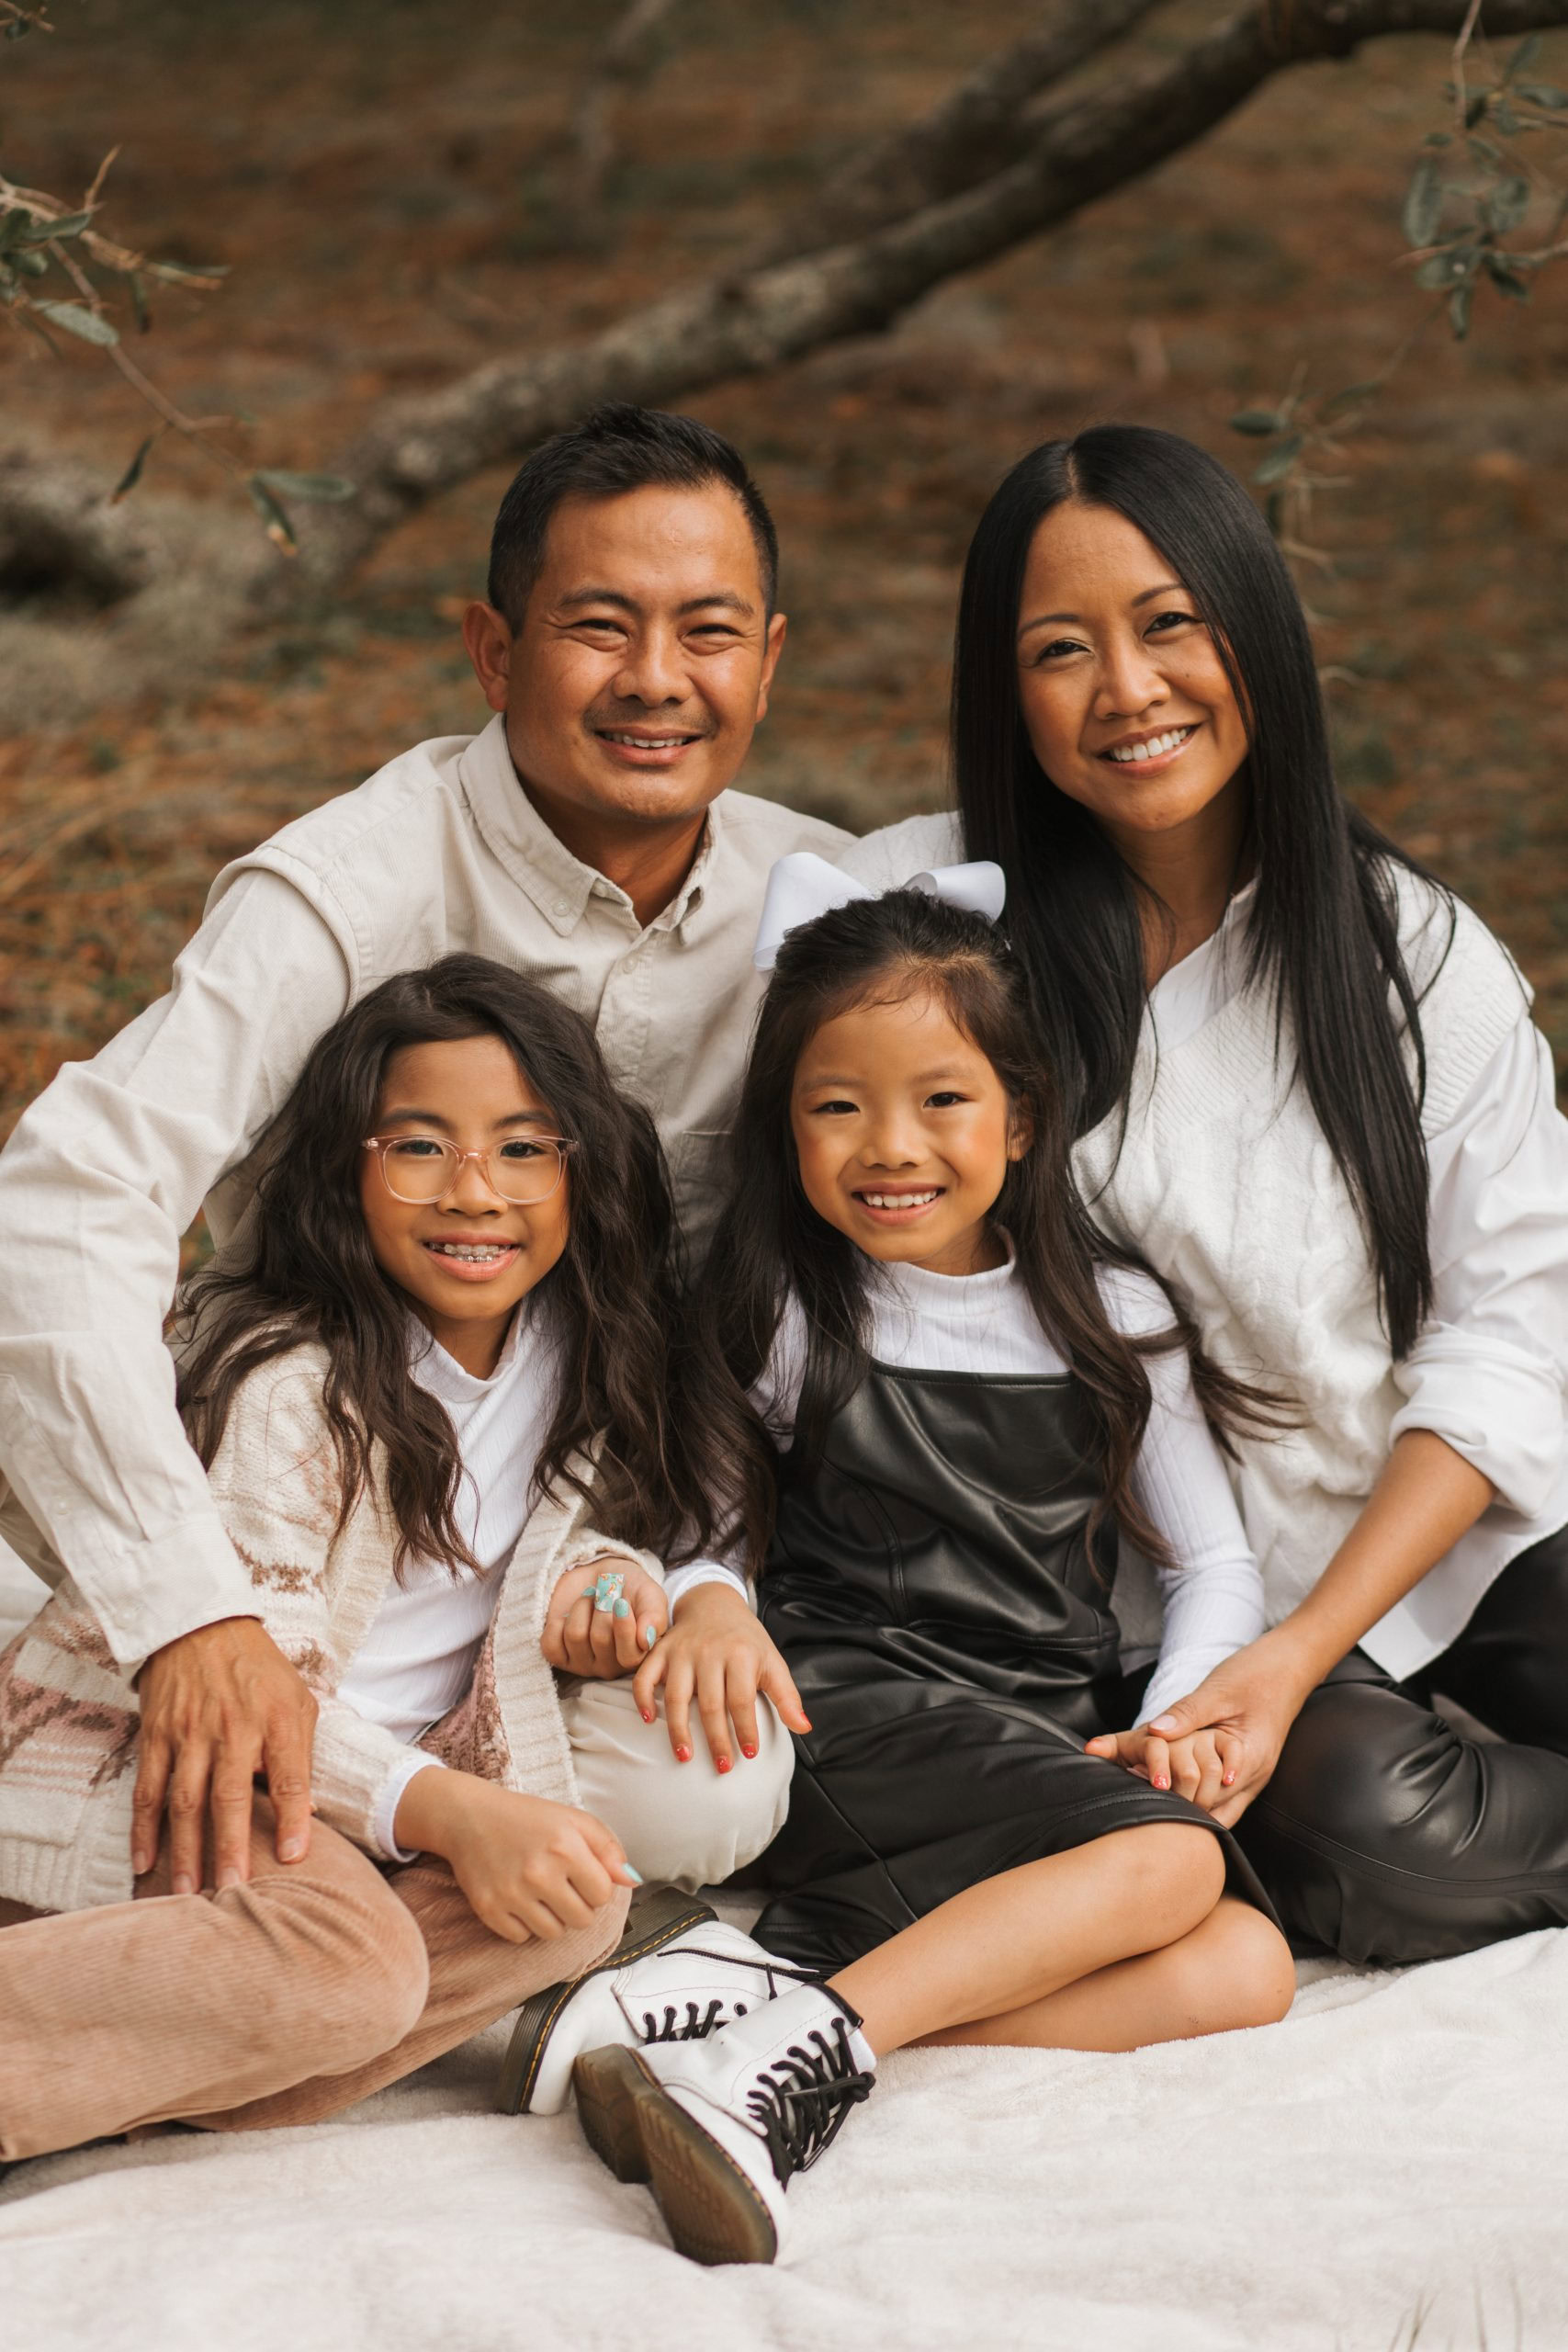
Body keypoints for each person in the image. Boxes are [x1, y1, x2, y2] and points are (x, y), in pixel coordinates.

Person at [0, 402, 847, 1899]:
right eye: (599, 626)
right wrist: (190, 1611)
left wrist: (704, 1575)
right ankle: (346, 1839)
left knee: (706, 1801)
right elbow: (66, 1203)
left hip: (576, 1534)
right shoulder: (345, 890)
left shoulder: (810, 901)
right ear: (494, 650)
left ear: (769, 660)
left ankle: (388, 1850)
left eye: (708, 632)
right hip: (306, 1508)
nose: (658, 680)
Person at [840, 424, 1568, 1966]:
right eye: (1061, 649)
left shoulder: (1413, 952)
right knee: (1369, 1838)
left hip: (1443, 1523)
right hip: (1156, 1605)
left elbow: (1512, 1333)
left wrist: (1310, 1645)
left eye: (1170, 623)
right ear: (1002, 688)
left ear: (1256, 632)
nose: (1128, 689)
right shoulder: (928, 929)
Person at [564, 871, 1296, 2268]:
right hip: (852, 1714)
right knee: (1168, 1863)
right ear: (785, 1128)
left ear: (1021, 1118)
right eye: (838, 1106)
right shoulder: (791, 1307)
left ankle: (768, 2019)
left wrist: (1178, 1717)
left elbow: (1211, 1560)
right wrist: (713, 1603)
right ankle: (778, 2078)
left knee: (1245, 1964)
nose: (890, 1146)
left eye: (943, 1099)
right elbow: (709, 1524)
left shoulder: (1110, 1313)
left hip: (1035, 1729)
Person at [0, 956, 817, 2169]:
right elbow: (251, 1702)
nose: (474, 1191)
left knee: (576, 1900)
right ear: (350, 1172)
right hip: (205, 1769)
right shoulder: (297, 1387)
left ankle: (148, 2052)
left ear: (581, 1169)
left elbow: (525, 1542)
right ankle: (141, 2016)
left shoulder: (578, 1352)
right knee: (354, 1966)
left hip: (367, 1806)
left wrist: (604, 1581)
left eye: (524, 1149)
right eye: (420, 1148)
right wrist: (451, 1810)